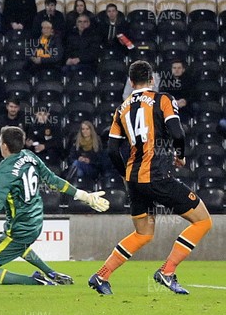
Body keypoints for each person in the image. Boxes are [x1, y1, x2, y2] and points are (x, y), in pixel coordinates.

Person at [89, 60, 213, 295]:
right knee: (203, 221)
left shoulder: (121, 109)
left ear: (131, 82)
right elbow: (177, 132)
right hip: (156, 176)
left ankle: (101, 276)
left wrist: (126, 175)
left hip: (134, 180)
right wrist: (180, 156)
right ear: (152, 80)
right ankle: (167, 272)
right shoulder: (162, 99)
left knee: (143, 233)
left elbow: (113, 150)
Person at [0, 126, 109, 285]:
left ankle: (37, 281)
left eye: (1, 141)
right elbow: (53, 180)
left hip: (20, 228)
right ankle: (51, 273)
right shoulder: (30, 156)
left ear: (4, 146)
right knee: (18, 246)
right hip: (35, 222)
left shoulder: (3, 172)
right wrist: (84, 196)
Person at [159, 59, 193, 124]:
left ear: (183, 70)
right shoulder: (165, 81)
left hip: (185, 106)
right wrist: (173, 102)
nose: (176, 70)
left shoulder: (189, 80)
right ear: (171, 69)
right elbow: (162, 94)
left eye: (179, 68)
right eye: (174, 68)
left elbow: (192, 94)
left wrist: (186, 101)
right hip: (170, 105)